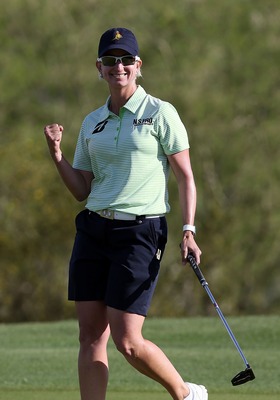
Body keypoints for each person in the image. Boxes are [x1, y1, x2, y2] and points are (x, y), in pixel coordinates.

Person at [44, 27, 207, 400]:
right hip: (93, 230)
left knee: (128, 341)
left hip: (140, 233)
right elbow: (81, 190)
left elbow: (186, 177)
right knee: (89, 336)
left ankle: (185, 394)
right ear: (98, 67)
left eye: (125, 60)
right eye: (110, 61)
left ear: (138, 65)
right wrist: (56, 154)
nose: (118, 67)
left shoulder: (160, 113)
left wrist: (188, 229)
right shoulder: (91, 122)